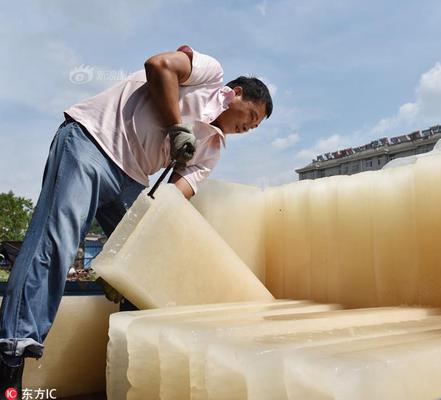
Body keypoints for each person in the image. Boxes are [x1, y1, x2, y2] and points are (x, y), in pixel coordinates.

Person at [0, 44, 273, 393]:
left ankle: (134, 364)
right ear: (235, 93)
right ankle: (12, 352)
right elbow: (158, 65)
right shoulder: (209, 74)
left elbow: (168, 203)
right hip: (92, 141)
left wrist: (127, 260)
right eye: (252, 117)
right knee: (58, 241)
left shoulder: (212, 151)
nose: (249, 128)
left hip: (131, 180)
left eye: (254, 128)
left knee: (151, 260)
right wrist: (176, 127)